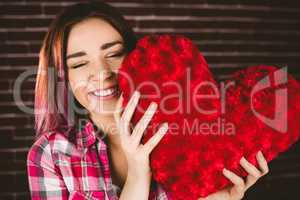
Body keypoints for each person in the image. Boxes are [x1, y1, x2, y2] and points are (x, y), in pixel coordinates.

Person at [27, 1, 269, 199]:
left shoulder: (188, 134)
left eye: (114, 54)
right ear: (62, 77)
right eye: (79, 63)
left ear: (136, 56)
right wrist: (138, 174)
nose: (102, 73)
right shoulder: (52, 154)